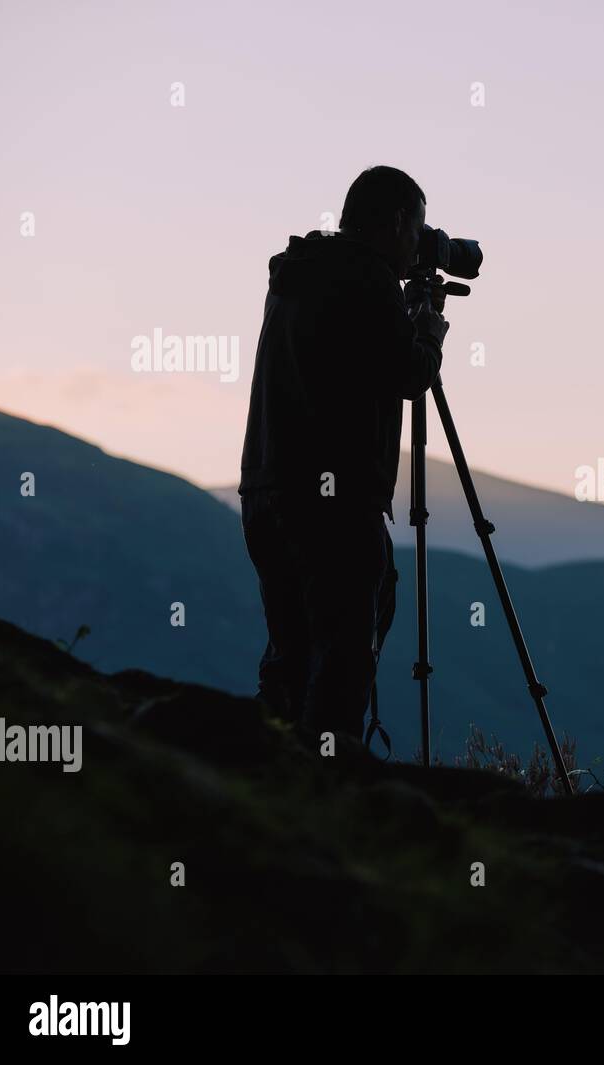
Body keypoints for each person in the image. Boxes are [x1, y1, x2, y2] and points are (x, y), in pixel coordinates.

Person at [238, 165, 448, 744]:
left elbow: (349, 359)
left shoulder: (298, 273)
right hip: (333, 502)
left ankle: (266, 773)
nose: (416, 247)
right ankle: (331, 796)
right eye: (418, 230)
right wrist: (428, 328)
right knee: (341, 662)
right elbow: (409, 373)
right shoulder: (368, 279)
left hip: (264, 488)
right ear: (400, 221)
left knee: (293, 651)